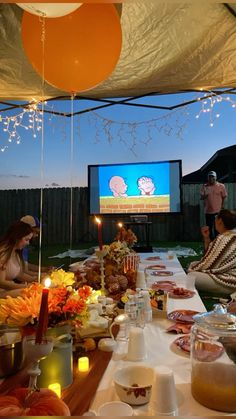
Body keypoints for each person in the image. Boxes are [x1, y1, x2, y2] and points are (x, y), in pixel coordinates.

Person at [188, 209, 236, 294]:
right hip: (228, 275)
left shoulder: (223, 238)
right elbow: (212, 258)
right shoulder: (231, 235)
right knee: (194, 265)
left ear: (220, 221)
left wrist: (193, 268)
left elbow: (209, 264)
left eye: (216, 218)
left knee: (192, 275)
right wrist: (206, 238)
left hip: (231, 282)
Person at [0, 221, 38, 298]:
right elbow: (1, 282)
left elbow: (19, 274)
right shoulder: (3, 253)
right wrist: (25, 287)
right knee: (30, 294)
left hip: (7, 290)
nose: (28, 243)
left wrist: (36, 279)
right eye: (26, 239)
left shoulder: (16, 252)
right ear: (17, 237)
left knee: (35, 292)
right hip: (2, 291)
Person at [200, 171, 227, 240]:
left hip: (218, 211)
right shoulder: (204, 186)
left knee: (217, 228)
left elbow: (224, 197)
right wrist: (206, 195)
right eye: (210, 177)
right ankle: (211, 243)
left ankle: (217, 243)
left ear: (215, 177)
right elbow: (201, 197)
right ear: (208, 178)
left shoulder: (221, 186)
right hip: (208, 211)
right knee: (209, 228)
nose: (211, 178)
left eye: (213, 176)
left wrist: (222, 207)